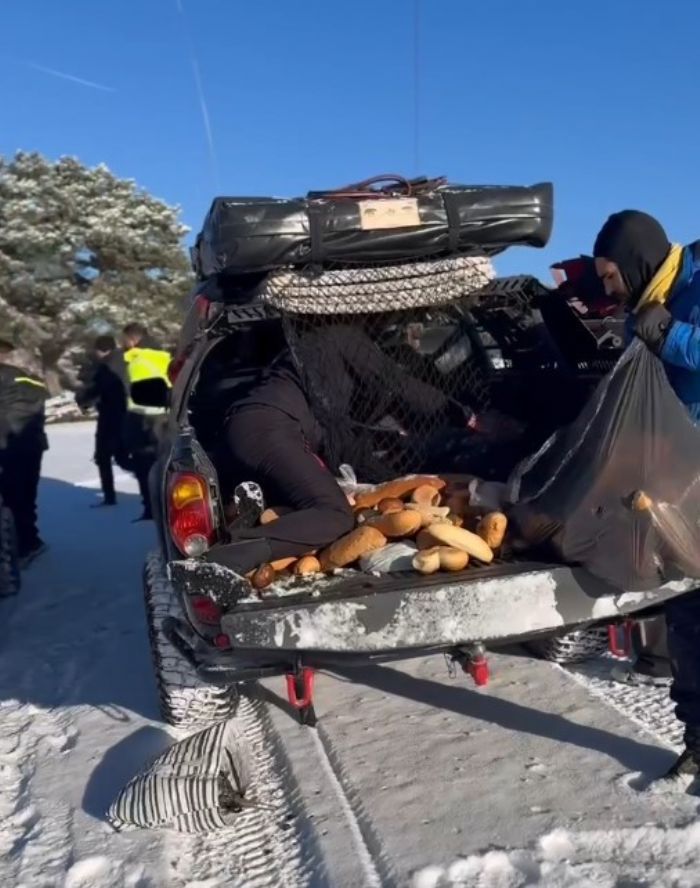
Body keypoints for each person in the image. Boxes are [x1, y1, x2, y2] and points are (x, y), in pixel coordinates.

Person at [592, 209, 700, 785]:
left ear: (637, 260)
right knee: (684, 610)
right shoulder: (640, 310)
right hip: (679, 479)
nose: (607, 287)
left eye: (611, 275)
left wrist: (669, 333)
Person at [199, 351, 355, 588]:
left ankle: (246, 517)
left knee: (296, 502)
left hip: (243, 434)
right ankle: (227, 558)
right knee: (336, 513)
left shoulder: (292, 358)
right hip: (269, 430)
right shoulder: (341, 340)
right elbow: (400, 384)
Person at [0, 337, 49, 565]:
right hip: (32, 444)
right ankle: (30, 542)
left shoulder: (4, 378)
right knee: (25, 496)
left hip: (8, 444)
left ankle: (22, 547)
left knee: (12, 497)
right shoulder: (32, 380)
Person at [121, 323, 171, 521]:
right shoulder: (164, 355)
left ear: (132, 339)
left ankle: (152, 510)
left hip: (145, 422)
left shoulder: (137, 360)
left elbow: (130, 394)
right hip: (167, 418)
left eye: (124, 339)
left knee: (145, 468)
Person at [75, 334, 128, 507]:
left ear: (103, 350)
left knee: (103, 457)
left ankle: (109, 497)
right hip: (130, 415)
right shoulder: (127, 360)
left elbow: (95, 390)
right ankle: (149, 487)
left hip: (110, 416)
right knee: (123, 456)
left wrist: (83, 400)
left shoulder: (105, 368)